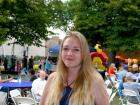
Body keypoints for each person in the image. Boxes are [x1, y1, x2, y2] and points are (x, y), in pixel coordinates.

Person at [39, 31, 109, 105]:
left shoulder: (94, 81)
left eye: (76, 50)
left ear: (84, 54)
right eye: (65, 48)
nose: (69, 54)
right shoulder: (52, 79)